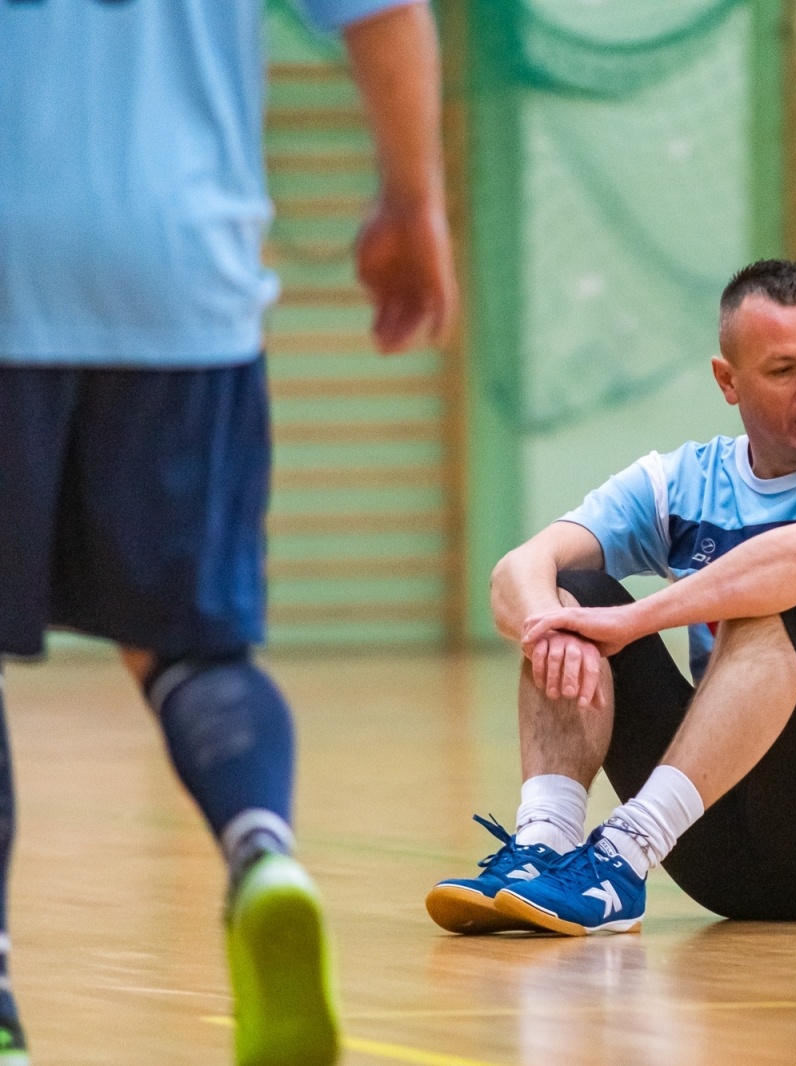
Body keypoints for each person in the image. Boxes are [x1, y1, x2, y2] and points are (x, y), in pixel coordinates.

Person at [0, 0, 456, 1061]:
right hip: (180, 275)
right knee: (195, 651)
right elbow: (384, 11)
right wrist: (410, 200)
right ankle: (262, 852)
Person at [425, 259, 796, 936]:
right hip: (725, 855)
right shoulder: (683, 482)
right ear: (727, 381)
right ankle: (547, 848)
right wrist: (552, 627)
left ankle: (622, 855)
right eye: (783, 370)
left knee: (781, 594)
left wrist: (637, 617)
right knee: (573, 595)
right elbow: (519, 567)